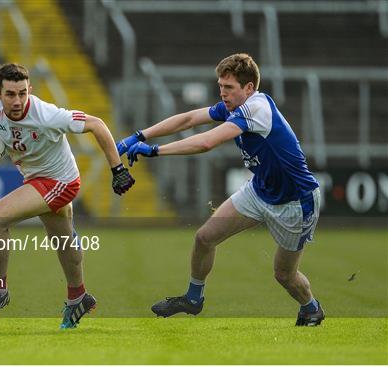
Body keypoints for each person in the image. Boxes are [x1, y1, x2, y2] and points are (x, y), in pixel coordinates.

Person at [117, 53, 324, 326]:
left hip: (295, 201)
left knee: (284, 275)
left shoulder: (257, 109)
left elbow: (206, 143)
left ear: (249, 88)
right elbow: (189, 119)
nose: (223, 94)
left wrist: (154, 151)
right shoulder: (234, 107)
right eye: (221, 87)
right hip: (260, 191)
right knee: (205, 238)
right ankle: (193, 299)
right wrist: (140, 135)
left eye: (229, 88)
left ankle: (311, 308)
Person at [0, 63, 134, 329]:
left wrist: (117, 168)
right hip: (34, 178)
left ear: (30, 90)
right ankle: (78, 298)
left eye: (22, 93)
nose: (17, 101)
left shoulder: (47, 114)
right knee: (63, 241)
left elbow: (97, 124)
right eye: (10, 94)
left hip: (61, 181)